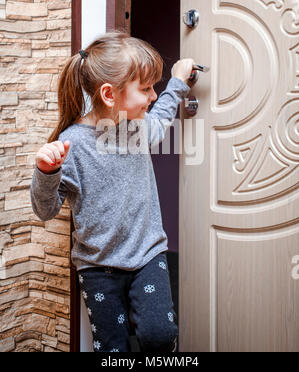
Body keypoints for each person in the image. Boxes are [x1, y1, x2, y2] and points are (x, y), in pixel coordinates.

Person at [30, 30, 195, 352]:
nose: (151, 96)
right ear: (109, 94)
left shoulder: (135, 127)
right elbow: (45, 210)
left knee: (160, 335)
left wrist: (178, 82)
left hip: (148, 254)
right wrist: (46, 172)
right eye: (146, 88)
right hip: (97, 267)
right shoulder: (72, 144)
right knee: (112, 347)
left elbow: (160, 120)